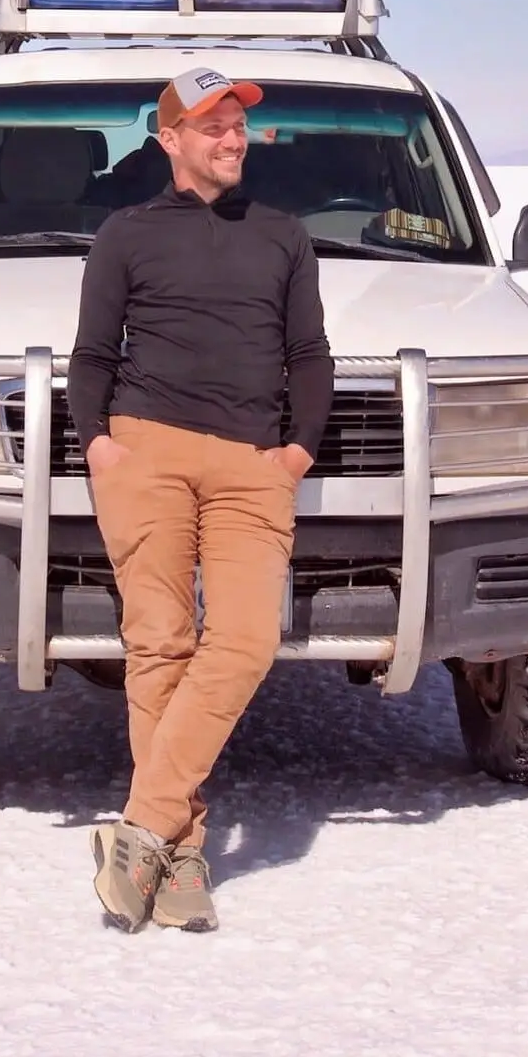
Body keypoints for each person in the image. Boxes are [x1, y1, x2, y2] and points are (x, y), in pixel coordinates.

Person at [68, 67, 334, 933]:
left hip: (255, 463)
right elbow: (92, 355)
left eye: (239, 126)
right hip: (145, 450)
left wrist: (295, 452)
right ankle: (184, 853)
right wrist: (102, 446)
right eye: (212, 126)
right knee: (160, 644)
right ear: (170, 139)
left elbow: (309, 354)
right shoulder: (127, 234)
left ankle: (141, 826)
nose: (232, 139)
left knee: (248, 639)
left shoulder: (285, 237)